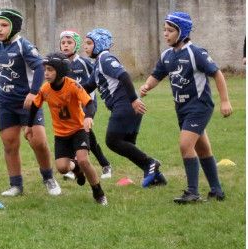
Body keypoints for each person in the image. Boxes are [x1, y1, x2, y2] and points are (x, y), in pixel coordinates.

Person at [140, 12, 232, 203]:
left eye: (170, 30)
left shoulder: (195, 53)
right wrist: (147, 85)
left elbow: (217, 74)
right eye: (164, 30)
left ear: (182, 32)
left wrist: (225, 101)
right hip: (181, 108)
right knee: (203, 149)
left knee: (185, 145)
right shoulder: (167, 55)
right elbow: (157, 74)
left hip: (199, 107)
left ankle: (192, 192)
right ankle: (217, 191)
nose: (166, 34)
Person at [0, 9, 59, 196]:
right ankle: (16, 185)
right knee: (9, 144)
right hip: (5, 103)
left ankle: (49, 178)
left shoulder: (24, 46)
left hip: (27, 103)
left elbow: (40, 69)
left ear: (14, 27)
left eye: (4, 25)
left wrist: (33, 93)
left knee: (38, 142)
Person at [82, 29, 165, 187]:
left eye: (89, 43)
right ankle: (156, 176)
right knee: (126, 144)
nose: (85, 47)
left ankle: (150, 163)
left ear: (99, 44)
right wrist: (65, 90)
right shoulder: (98, 64)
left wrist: (133, 100)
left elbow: (124, 76)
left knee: (113, 141)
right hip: (126, 106)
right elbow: (87, 86)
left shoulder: (106, 59)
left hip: (125, 105)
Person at [27, 52, 107, 205]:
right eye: (45, 69)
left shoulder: (73, 86)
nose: (46, 73)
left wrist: (88, 117)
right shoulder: (45, 89)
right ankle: (76, 168)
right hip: (61, 135)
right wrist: (29, 126)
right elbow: (35, 105)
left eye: (50, 69)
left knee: (84, 160)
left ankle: (98, 192)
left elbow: (89, 103)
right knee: (63, 168)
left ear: (61, 70)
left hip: (79, 130)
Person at [59, 30, 112, 180]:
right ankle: (105, 164)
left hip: (86, 103)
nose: (66, 46)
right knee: (86, 137)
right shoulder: (60, 65)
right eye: (63, 43)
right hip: (68, 107)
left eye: (69, 43)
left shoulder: (85, 62)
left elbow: (97, 76)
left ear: (76, 45)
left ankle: (73, 166)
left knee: (78, 133)